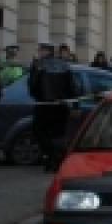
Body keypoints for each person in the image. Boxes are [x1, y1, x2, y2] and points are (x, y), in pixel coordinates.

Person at [29, 43, 79, 172]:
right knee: (58, 134)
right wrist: (74, 105)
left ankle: (51, 157)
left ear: (46, 51)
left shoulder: (38, 65)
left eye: (40, 50)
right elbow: (72, 87)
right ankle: (56, 160)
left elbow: (33, 86)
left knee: (40, 132)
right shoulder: (64, 65)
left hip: (44, 105)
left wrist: (38, 96)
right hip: (61, 105)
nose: (39, 52)